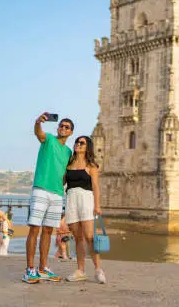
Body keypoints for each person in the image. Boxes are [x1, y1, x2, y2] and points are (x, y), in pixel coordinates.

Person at [22, 114, 74, 284]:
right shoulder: (49, 139)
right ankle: (30, 270)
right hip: (41, 189)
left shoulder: (68, 151)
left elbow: (65, 174)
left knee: (48, 231)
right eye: (61, 125)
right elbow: (39, 133)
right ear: (57, 127)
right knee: (34, 229)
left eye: (67, 127)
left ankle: (43, 268)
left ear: (71, 132)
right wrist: (38, 122)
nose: (63, 128)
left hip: (58, 193)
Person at [64, 135, 106, 284]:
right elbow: (63, 181)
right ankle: (80, 271)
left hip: (86, 200)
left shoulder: (91, 166)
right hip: (71, 200)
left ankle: (98, 269)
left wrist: (97, 206)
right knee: (78, 238)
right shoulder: (68, 163)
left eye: (81, 143)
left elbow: (95, 187)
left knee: (89, 237)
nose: (78, 144)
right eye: (76, 142)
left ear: (87, 147)